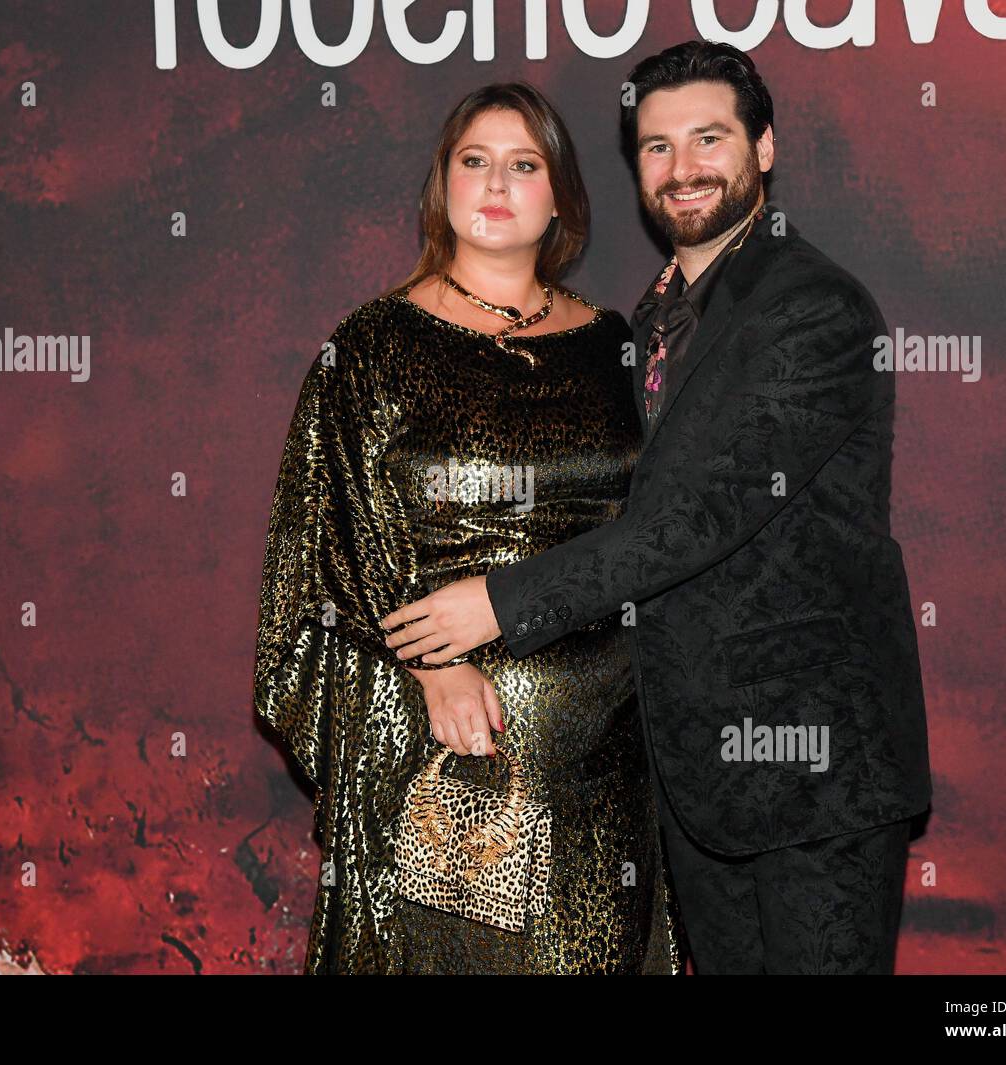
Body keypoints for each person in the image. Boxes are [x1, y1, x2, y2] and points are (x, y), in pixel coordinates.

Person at [381, 41, 934, 975]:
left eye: (708, 139)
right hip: (689, 780)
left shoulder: (814, 310)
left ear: (763, 149)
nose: (682, 170)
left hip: (812, 776)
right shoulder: (643, 325)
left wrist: (501, 602)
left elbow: (700, 519)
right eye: (656, 147)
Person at [254, 81, 679, 974]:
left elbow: (656, 532)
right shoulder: (369, 345)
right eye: (473, 161)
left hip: (607, 758)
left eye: (523, 165)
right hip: (447, 755)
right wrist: (430, 662)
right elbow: (326, 541)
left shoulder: (615, 346)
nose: (496, 183)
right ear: (440, 187)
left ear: (558, 196)